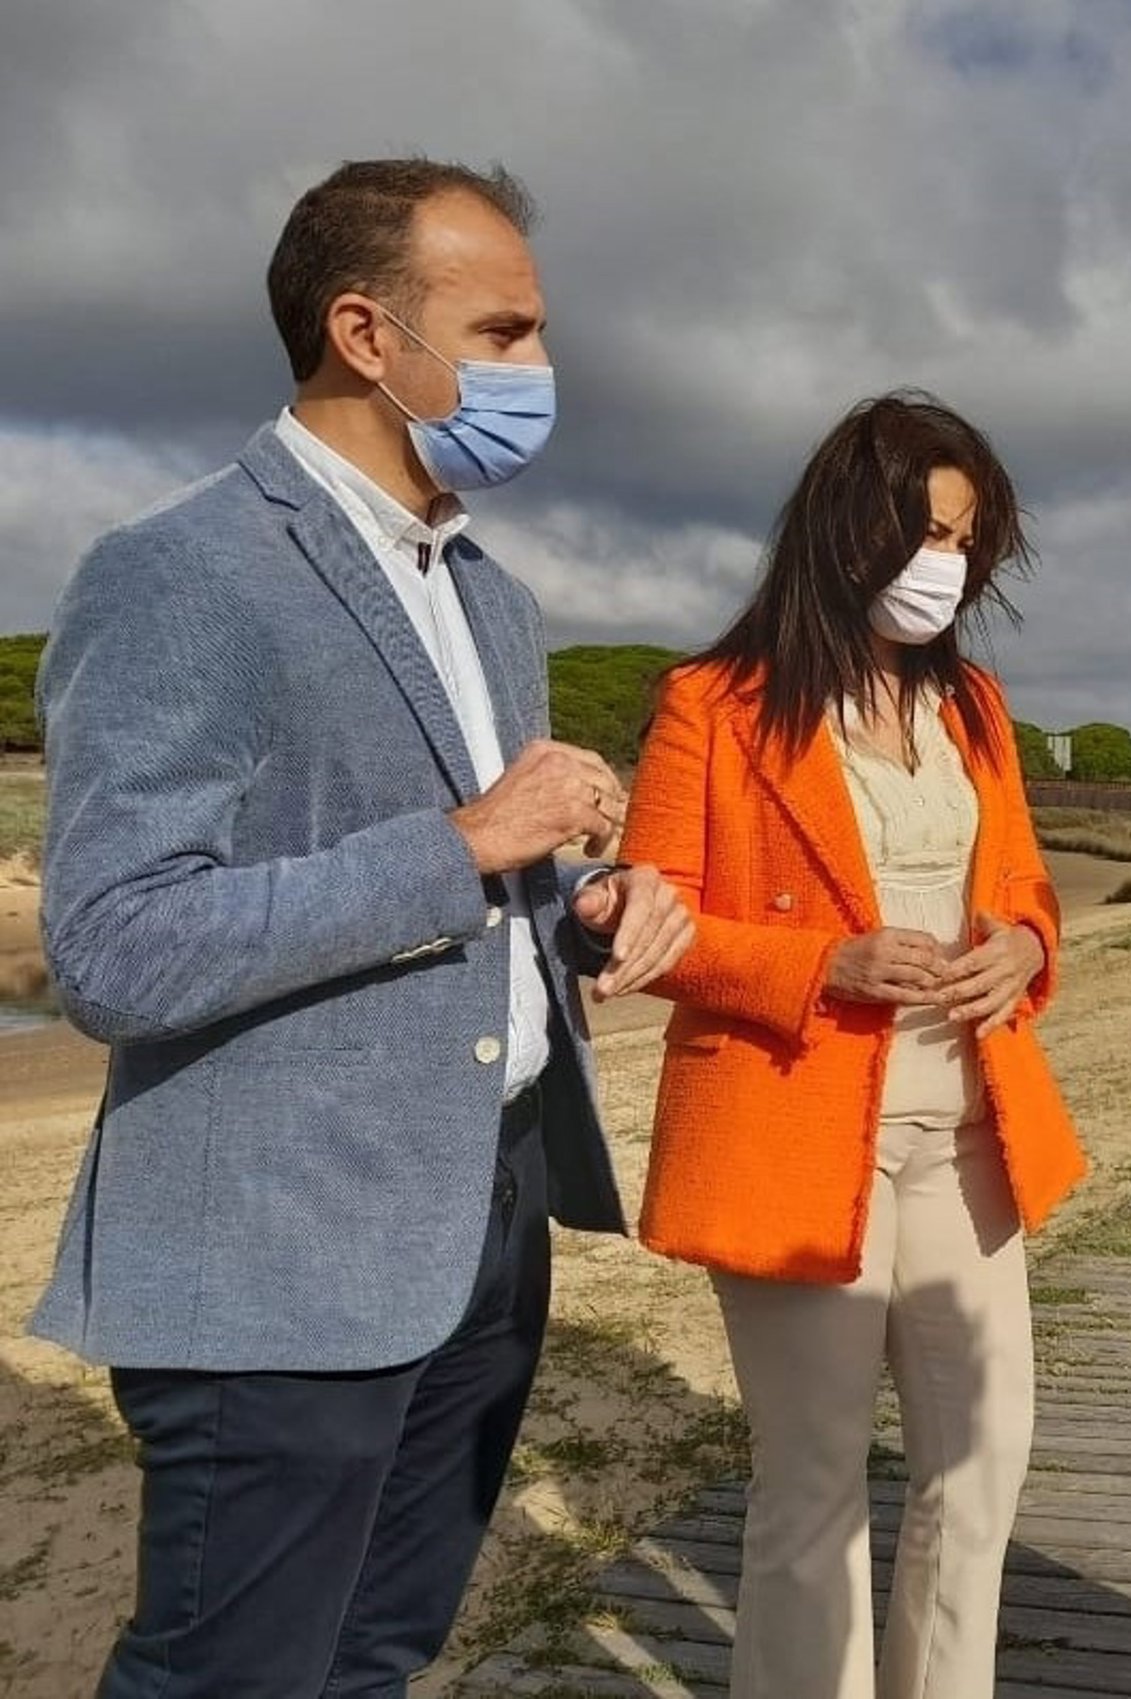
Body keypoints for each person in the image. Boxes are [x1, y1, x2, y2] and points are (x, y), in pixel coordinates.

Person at [32, 157, 694, 1698]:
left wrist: (586, 911)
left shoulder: (494, 599)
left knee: (377, 1657)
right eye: (505, 331)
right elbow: (114, 949)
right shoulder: (178, 573)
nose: (541, 367)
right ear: (363, 332)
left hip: (490, 1210)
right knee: (235, 1676)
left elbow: (488, 891)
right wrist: (467, 844)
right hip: (277, 1252)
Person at [618, 392, 1086, 1699]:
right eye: (930, 533)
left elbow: (1029, 890)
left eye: (968, 543)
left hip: (971, 1129)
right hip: (797, 1131)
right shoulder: (712, 704)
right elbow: (653, 928)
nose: (949, 566)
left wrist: (1026, 948)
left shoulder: (975, 705)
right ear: (848, 525)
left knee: (982, 1465)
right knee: (815, 1481)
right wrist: (822, 964)